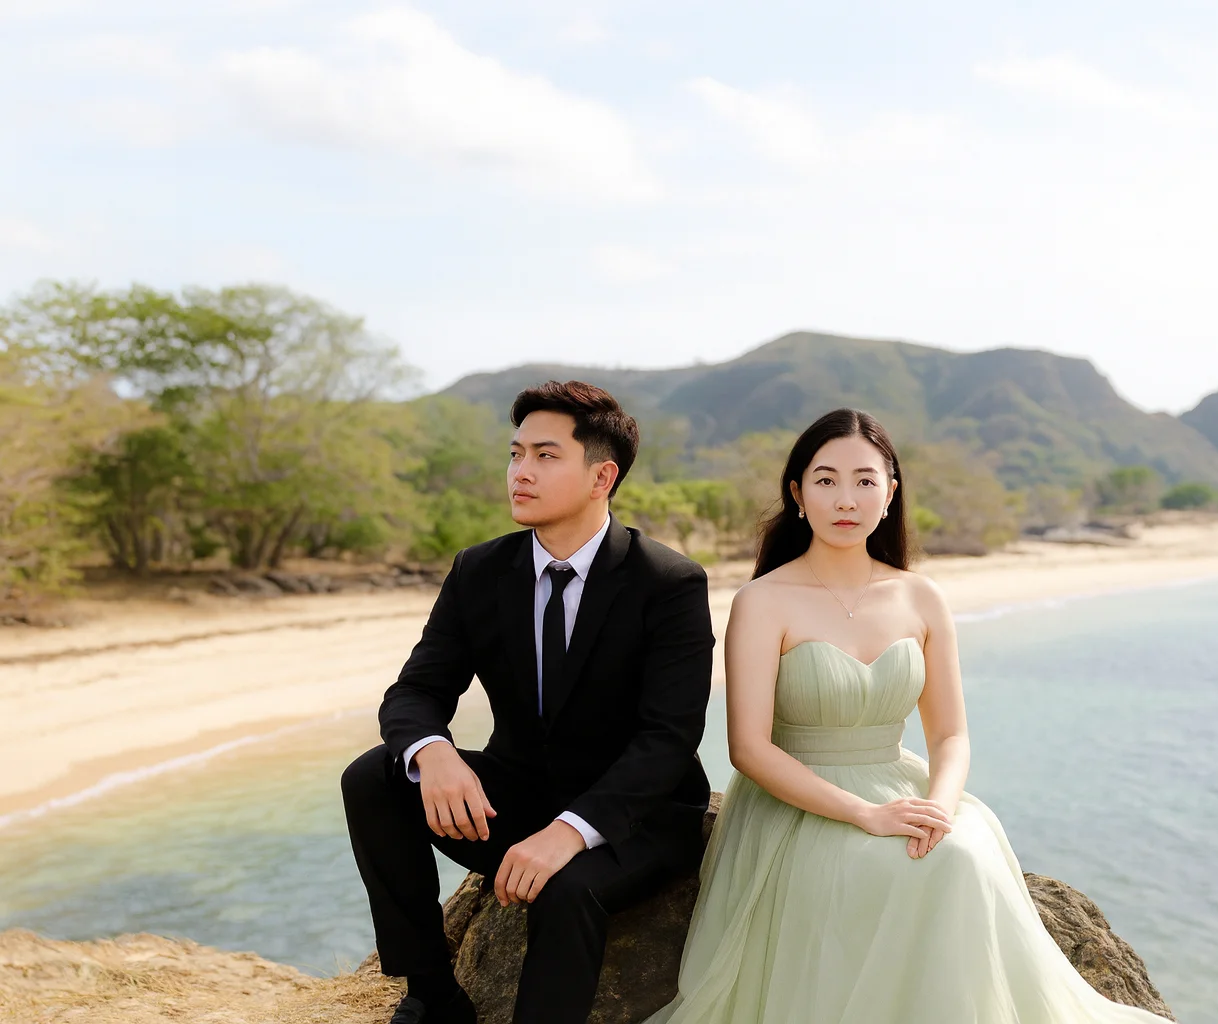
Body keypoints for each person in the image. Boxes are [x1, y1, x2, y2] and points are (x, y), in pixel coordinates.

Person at [644, 408, 1169, 1024]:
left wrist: (940, 810)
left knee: (963, 856)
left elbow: (950, 734)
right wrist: (867, 814)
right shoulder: (762, 600)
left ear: (891, 492)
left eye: (866, 481)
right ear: (797, 493)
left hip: (905, 788)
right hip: (799, 806)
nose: (847, 498)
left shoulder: (921, 596)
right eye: (826, 479)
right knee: (928, 873)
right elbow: (749, 750)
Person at [341, 380, 715, 1024]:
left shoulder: (668, 581)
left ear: (602, 475)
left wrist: (569, 834)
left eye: (545, 456)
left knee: (567, 886)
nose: (521, 473)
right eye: (515, 455)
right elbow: (416, 691)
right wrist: (434, 755)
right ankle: (432, 992)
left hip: (635, 820)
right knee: (374, 775)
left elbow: (668, 738)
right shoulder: (479, 570)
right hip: (517, 798)